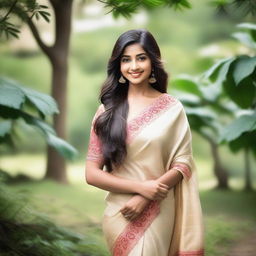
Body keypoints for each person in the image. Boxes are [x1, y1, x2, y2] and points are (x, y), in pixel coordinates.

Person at [85, 29, 204, 256]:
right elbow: (92, 173)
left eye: (141, 58)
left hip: (159, 208)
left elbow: (183, 163)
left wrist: (146, 196)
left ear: (152, 61)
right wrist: (141, 188)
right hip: (119, 212)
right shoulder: (106, 112)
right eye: (126, 60)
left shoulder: (171, 107)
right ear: (118, 66)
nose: (134, 66)